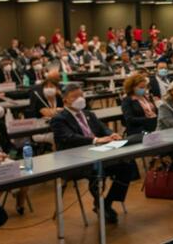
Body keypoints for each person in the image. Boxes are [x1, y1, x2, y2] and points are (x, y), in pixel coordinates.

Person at [50, 83, 133, 224]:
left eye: (81, 95)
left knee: (127, 166)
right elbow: (69, 138)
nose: (80, 98)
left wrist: (111, 134)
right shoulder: (59, 119)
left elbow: (103, 129)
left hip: (97, 154)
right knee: (96, 172)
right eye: (75, 97)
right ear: (65, 101)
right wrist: (96, 140)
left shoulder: (89, 114)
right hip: (73, 160)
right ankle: (99, 203)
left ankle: (106, 203)